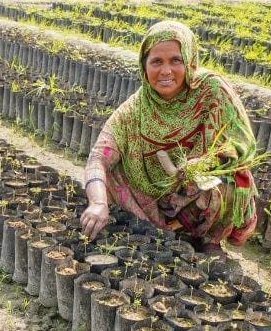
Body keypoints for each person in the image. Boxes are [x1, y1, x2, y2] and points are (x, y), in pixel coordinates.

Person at [80, 20, 259, 256]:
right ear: (144, 67)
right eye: (156, 62)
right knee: (112, 171)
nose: (166, 71)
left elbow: (241, 143)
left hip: (199, 192)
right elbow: (98, 158)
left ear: (189, 61)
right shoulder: (135, 110)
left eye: (176, 60)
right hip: (154, 201)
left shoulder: (211, 91)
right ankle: (163, 231)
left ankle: (210, 240)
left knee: (235, 179)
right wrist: (98, 204)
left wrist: (203, 165)